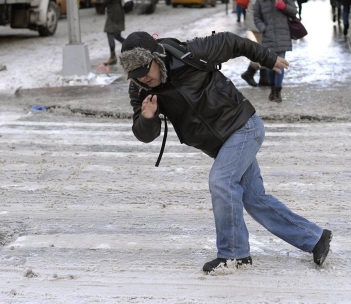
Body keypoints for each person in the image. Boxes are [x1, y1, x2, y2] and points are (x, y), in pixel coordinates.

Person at [119, 31, 333, 274]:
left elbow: (233, 42)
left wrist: (268, 58)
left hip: (244, 126)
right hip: (219, 146)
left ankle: (233, 254)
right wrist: (147, 118)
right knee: (255, 199)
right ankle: (315, 238)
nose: (143, 78)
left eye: (145, 70)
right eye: (135, 75)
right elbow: (145, 133)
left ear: (156, 57)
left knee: (221, 181)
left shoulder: (190, 53)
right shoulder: (140, 90)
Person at [254, 0, 297, 103]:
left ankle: (278, 91)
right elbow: (256, 17)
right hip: (268, 37)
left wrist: (284, 6)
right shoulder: (260, 1)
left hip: (283, 36)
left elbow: (294, 11)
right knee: (270, 66)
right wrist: (264, 28)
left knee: (280, 65)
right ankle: (272, 88)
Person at [241, 0, 271, 87]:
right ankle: (251, 73)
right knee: (265, 49)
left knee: (265, 49)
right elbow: (262, 6)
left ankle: (263, 77)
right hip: (258, 24)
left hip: (258, 22)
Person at [103, 0, 126, 66]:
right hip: (118, 11)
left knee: (110, 33)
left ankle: (113, 57)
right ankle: (132, 46)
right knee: (116, 35)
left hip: (114, 13)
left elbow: (105, 2)